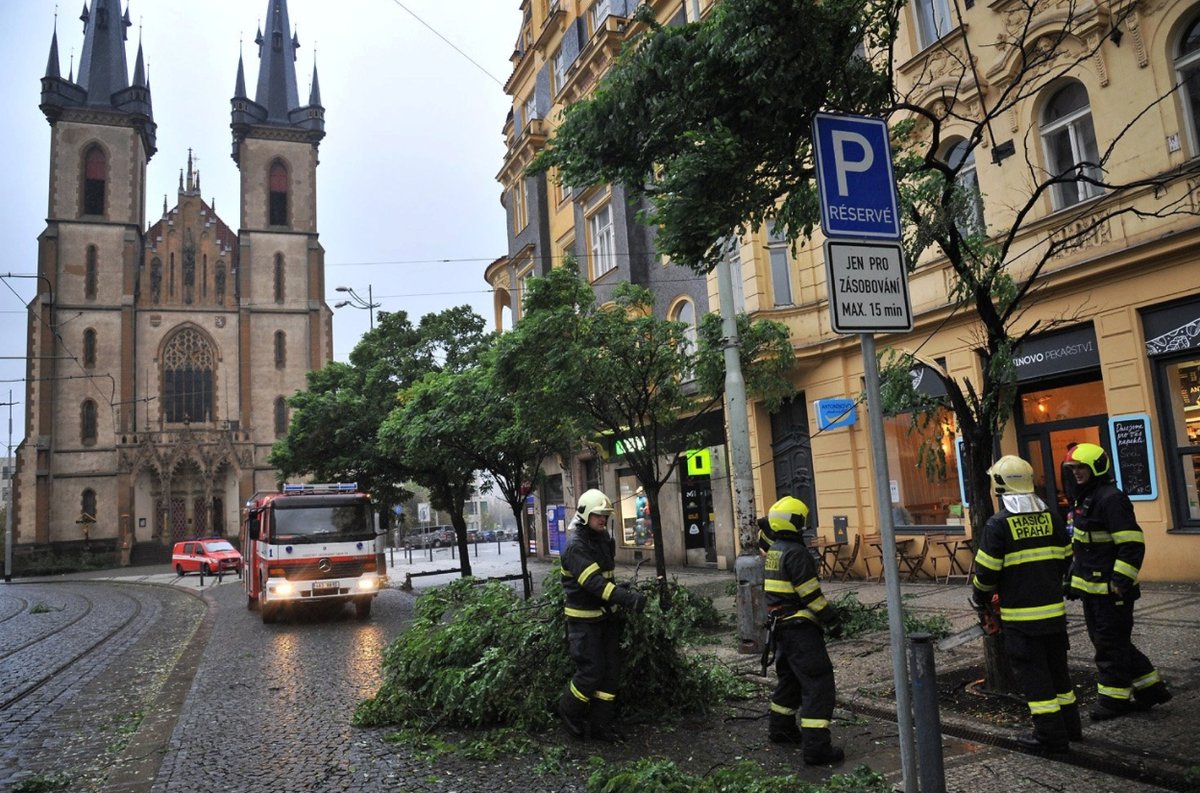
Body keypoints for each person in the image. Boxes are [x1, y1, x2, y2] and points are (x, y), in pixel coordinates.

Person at [971, 455, 1079, 752]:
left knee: (1036, 680)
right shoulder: (1051, 518)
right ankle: (1071, 728)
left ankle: (1050, 737)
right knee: (1059, 674)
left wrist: (981, 598)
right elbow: (1065, 559)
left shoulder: (998, 525)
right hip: (1054, 616)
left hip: (1022, 620)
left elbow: (985, 573)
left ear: (1001, 488)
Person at [1064, 442, 1172, 720]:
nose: (1076, 473)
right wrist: (1073, 579)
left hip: (1112, 592)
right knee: (1115, 643)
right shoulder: (1087, 497)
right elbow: (1084, 547)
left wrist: (1120, 580)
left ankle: (1113, 702)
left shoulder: (1111, 499)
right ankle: (1151, 690)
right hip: (1094, 590)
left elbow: (1132, 544)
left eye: (1081, 468)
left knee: (1109, 647)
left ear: (1096, 468)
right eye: (1073, 468)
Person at [556, 488, 647, 742]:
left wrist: (622, 591)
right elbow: (594, 584)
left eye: (606, 516)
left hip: (606, 619)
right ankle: (568, 711)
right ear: (585, 515)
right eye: (598, 515)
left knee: (610, 672)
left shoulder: (602, 539)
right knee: (591, 671)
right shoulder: (576, 546)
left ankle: (600, 725)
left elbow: (607, 579)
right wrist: (626, 598)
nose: (603, 520)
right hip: (584, 621)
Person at [762, 495, 845, 765]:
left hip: (781, 628)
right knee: (818, 683)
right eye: (801, 521)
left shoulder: (775, 549)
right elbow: (810, 594)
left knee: (790, 679)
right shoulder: (796, 553)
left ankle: (781, 729)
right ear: (797, 522)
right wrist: (832, 619)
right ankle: (816, 748)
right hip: (799, 627)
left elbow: (764, 535)